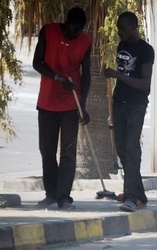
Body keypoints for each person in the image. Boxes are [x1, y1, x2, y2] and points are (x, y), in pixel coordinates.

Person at [32, 7, 92, 210]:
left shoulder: (85, 42)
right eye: (71, 29)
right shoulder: (48, 31)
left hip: (70, 103)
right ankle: (50, 193)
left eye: (78, 31)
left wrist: (82, 105)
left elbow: (87, 74)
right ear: (66, 21)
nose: (73, 34)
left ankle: (63, 196)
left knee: (68, 152)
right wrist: (57, 78)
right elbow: (36, 63)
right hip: (47, 101)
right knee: (47, 150)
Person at [104, 11, 154, 212]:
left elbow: (145, 85)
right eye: (118, 29)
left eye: (123, 29)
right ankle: (139, 194)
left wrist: (117, 75)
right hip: (119, 102)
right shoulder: (122, 45)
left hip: (136, 104)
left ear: (133, 27)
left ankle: (131, 198)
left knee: (132, 148)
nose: (120, 33)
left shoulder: (146, 50)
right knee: (122, 149)